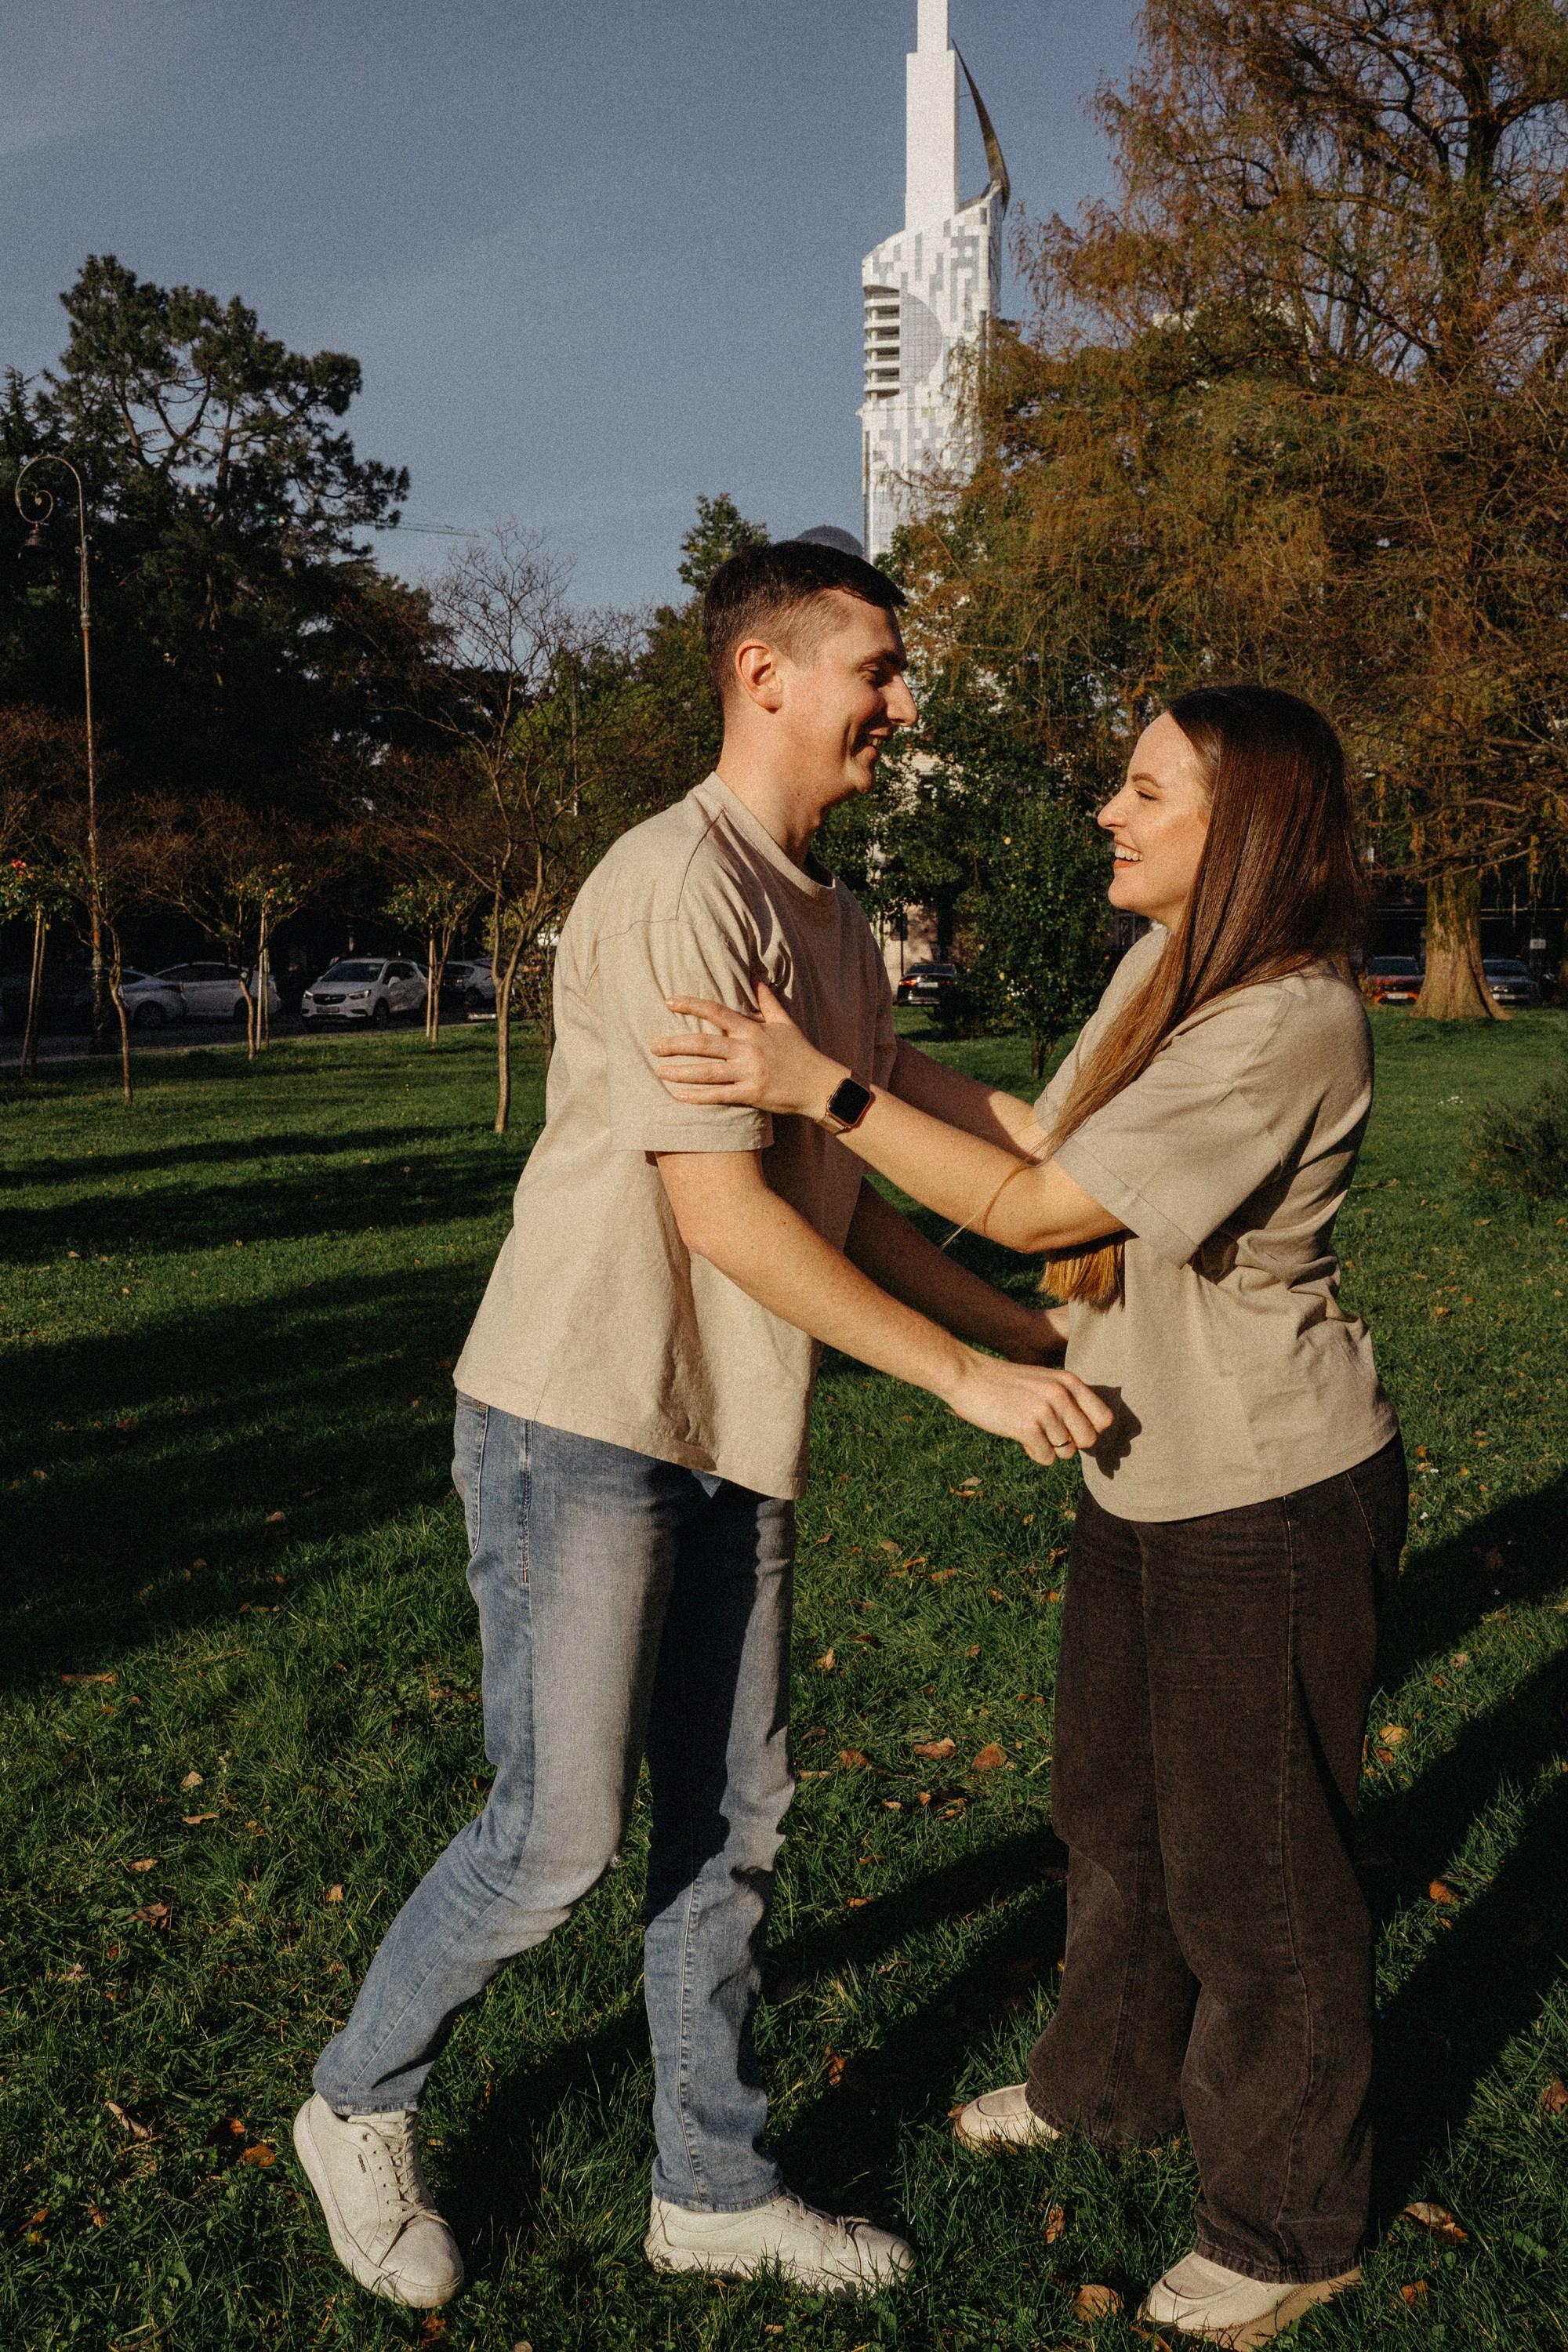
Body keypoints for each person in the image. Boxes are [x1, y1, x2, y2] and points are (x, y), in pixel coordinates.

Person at [293, 537, 1111, 2312]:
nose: (902, 702)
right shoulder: (678, 881)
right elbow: (720, 1213)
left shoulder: (825, 916)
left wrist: (1027, 1312)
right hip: (582, 1408)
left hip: (736, 1427)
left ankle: (713, 2186)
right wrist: (971, 1382)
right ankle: (355, 2102)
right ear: (767, 675)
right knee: (556, 1833)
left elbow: (840, 1187)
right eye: (878, 670)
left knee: (731, 1824)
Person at [651, 682, 1406, 2347]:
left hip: (1266, 1492)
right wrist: (856, 1055)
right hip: (1147, 1461)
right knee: (1110, 1813)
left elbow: (1038, 1203)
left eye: (1143, 792)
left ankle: (1287, 2221)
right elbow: (1052, 1138)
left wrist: (815, 1091)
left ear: (1244, 829)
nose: (1106, 813)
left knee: (1256, 1873)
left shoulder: (1287, 1022)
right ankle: (1106, 2083)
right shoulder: (1166, 973)